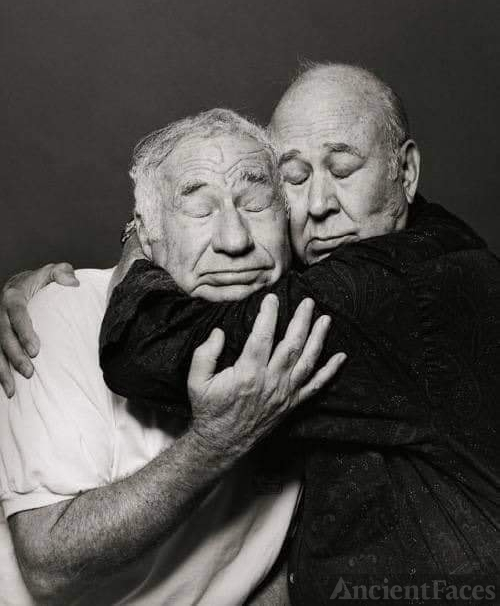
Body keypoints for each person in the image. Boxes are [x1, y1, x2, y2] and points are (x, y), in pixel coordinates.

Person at [2, 63, 500, 602]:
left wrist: (135, 246)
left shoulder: (385, 290)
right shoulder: (66, 316)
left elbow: (145, 343)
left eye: (344, 168)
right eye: (294, 177)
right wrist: (43, 288)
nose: (318, 205)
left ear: (405, 172)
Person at [0, 109, 345, 605]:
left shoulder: (318, 334)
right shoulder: (61, 314)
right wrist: (217, 440)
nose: (235, 240)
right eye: (200, 211)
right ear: (146, 233)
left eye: (254, 204)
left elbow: (273, 565)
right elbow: (50, 565)